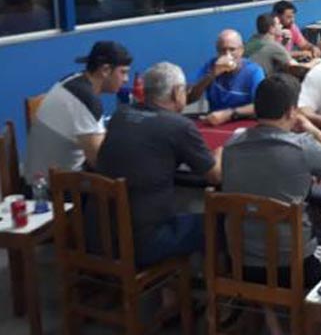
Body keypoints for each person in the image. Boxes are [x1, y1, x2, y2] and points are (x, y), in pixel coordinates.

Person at [220, 73, 321, 287]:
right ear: (292, 111)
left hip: (239, 263)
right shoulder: (303, 147)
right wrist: (315, 131)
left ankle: (266, 305)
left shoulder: (231, 145)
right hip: (293, 266)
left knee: (320, 233)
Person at [95, 62, 219, 267]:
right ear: (177, 92)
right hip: (144, 241)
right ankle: (208, 282)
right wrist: (220, 154)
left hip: (100, 233)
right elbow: (214, 176)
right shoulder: (179, 126)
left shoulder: (120, 115)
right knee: (218, 223)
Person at [25, 41, 132, 185]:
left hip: (42, 174)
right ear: (105, 70)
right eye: (123, 72)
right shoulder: (85, 100)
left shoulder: (72, 80)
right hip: (52, 189)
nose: (126, 80)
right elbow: (100, 163)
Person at [188, 29, 265, 125]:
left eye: (232, 49)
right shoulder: (211, 66)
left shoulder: (254, 71)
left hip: (242, 122)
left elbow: (261, 105)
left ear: (241, 50)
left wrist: (230, 114)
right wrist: (212, 74)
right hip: (214, 121)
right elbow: (191, 97)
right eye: (222, 50)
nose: (227, 54)